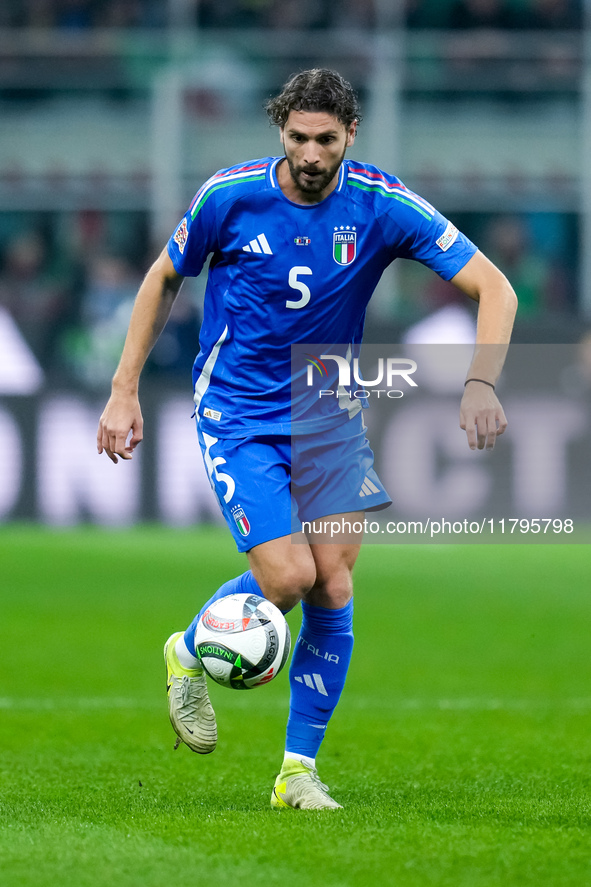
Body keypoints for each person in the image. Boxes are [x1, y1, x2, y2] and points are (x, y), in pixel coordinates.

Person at [97, 68, 517, 810]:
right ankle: (188, 647)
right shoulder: (228, 196)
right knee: (287, 577)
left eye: (326, 139)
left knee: (334, 582)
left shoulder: (382, 205)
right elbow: (164, 276)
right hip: (239, 409)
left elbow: (495, 287)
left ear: (350, 134)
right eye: (298, 138)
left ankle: (296, 772)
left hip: (330, 411)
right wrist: (123, 387)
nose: (312, 154)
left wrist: (480, 381)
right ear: (279, 131)